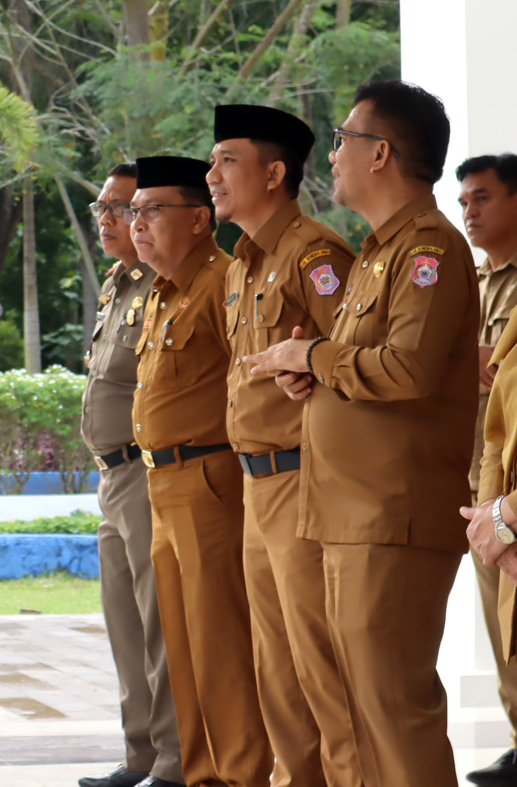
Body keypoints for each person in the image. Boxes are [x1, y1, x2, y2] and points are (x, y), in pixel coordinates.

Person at [246, 80, 479, 787]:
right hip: (352, 511)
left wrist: (310, 356)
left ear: (382, 154)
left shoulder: (429, 248)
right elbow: (365, 367)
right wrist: (311, 375)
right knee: (360, 711)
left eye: (345, 140)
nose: (335, 154)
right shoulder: (380, 252)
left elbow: (407, 368)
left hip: (392, 511)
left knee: (393, 709)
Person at [207, 105, 359, 787]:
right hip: (255, 484)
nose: (212, 175)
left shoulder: (316, 254)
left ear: (274, 173)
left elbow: (357, 361)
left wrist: (313, 367)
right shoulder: (241, 264)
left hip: (305, 481)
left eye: (226, 161)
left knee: (320, 663)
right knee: (276, 667)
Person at [129, 155, 271, 787]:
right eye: (134, 211)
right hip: (162, 484)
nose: (138, 223)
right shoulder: (160, 291)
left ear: (198, 219)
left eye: (153, 209)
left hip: (210, 478)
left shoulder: (222, 280)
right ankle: (203, 773)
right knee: (182, 647)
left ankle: (243, 773)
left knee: (221, 646)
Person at [77, 162, 182, 787]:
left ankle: (171, 759)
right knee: (124, 620)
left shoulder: (164, 286)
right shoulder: (118, 283)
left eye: (125, 207)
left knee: (158, 621)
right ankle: (139, 751)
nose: (111, 219)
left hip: (148, 473)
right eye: (105, 208)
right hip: (111, 477)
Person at [456, 153, 517, 787]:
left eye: (482, 198)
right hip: (479, 473)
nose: (470, 211)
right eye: (464, 202)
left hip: (514, 474)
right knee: (498, 612)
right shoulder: (471, 281)